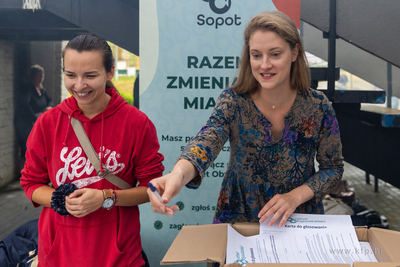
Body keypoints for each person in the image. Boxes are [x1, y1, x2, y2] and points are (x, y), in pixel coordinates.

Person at [148, 11, 344, 228]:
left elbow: (333, 168)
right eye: (256, 55)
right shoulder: (233, 102)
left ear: (295, 52)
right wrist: (177, 174)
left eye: (275, 54)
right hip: (239, 216)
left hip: (298, 218)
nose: (264, 65)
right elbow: (207, 140)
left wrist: (295, 197)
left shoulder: (318, 106)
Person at [20, 35, 164, 266]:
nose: (78, 86)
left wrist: (106, 197)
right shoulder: (48, 123)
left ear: (109, 73)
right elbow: (30, 183)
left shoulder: (136, 123)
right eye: (70, 75)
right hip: (58, 255)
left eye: (90, 75)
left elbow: (152, 188)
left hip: (119, 256)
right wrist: (59, 199)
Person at [14, 65, 53, 163]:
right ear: (33, 76)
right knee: (26, 147)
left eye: (42, 75)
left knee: (39, 147)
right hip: (25, 123)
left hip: (36, 121)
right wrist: (37, 119)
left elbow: (50, 101)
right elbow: (25, 107)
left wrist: (49, 107)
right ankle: (24, 173)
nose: (42, 77)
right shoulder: (26, 89)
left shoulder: (41, 90)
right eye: (39, 75)